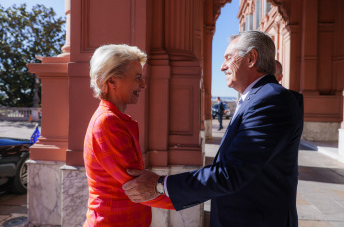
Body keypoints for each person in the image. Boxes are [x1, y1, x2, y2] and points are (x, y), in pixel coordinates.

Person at [123, 31, 303, 227]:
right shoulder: (257, 98)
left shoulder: (270, 100)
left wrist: (159, 185)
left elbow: (229, 173)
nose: (222, 66)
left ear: (251, 58)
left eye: (228, 58)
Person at [83, 44, 174, 227]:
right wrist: (198, 194)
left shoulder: (114, 119)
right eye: (138, 78)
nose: (144, 84)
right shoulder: (107, 122)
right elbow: (138, 188)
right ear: (112, 81)